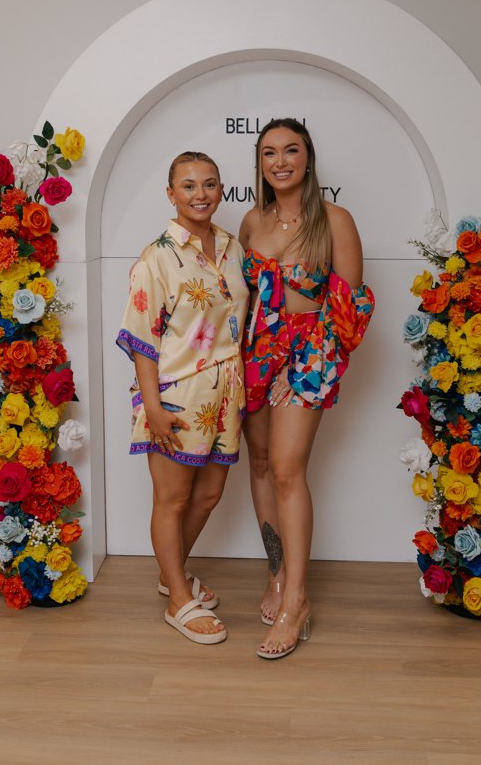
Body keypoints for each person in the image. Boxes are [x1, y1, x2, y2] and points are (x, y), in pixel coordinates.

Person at [239, 118, 375, 659]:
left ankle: (297, 599)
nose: (280, 161)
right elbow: (244, 301)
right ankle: (276, 574)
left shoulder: (335, 220)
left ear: (307, 156)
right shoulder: (251, 221)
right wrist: (250, 362)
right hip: (256, 352)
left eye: (290, 150)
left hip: (310, 354)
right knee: (261, 465)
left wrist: (291, 366)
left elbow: (351, 310)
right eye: (270, 152)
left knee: (289, 469)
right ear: (261, 162)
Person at [117, 152, 248, 645]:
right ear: (170, 194)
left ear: (221, 190)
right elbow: (141, 336)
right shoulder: (157, 256)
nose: (200, 194)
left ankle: (170, 573)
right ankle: (177, 598)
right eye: (188, 185)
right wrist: (152, 407)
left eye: (210, 184)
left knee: (209, 495)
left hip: (226, 394)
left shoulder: (234, 249)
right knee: (172, 499)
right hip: (175, 393)